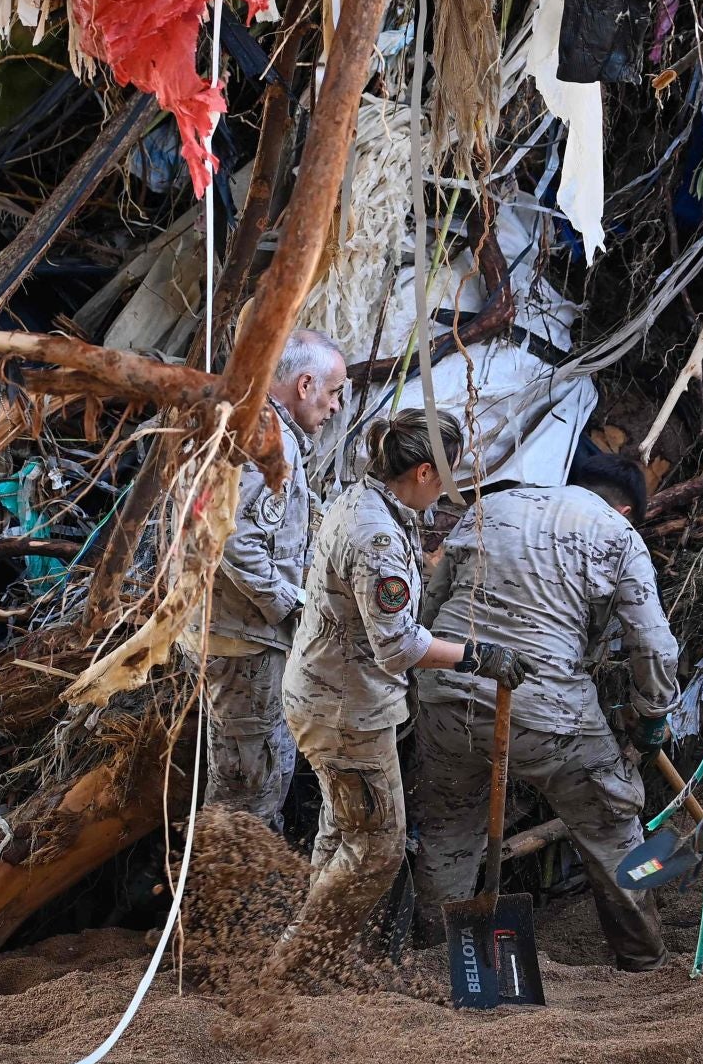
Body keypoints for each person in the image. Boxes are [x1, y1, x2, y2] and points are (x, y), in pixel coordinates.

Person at [268, 409, 534, 977]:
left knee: (344, 831)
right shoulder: (377, 536)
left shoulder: (365, 500)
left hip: (332, 694)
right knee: (378, 848)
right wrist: (479, 657)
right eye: (447, 474)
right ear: (420, 472)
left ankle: (312, 956)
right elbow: (399, 646)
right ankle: (294, 968)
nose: (449, 486)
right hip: (346, 711)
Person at [412, 453, 680, 971]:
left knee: (447, 833)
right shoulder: (617, 534)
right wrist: (652, 716)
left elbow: (430, 606)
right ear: (625, 509)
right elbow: (653, 644)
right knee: (613, 828)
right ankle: (645, 960)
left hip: (444, 692)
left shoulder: (490, 508)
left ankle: (437, 963)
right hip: (547, 708)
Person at [181, 329, 347, 830]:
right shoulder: (265, 439)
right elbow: (231, 538)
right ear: (304, 384)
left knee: (255, 771)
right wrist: (289, 605)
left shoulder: (248, 423)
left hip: (228, 631)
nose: (336, 406)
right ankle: (229, 896)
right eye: (334, 392)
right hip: (244, 641)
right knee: (247, 791)